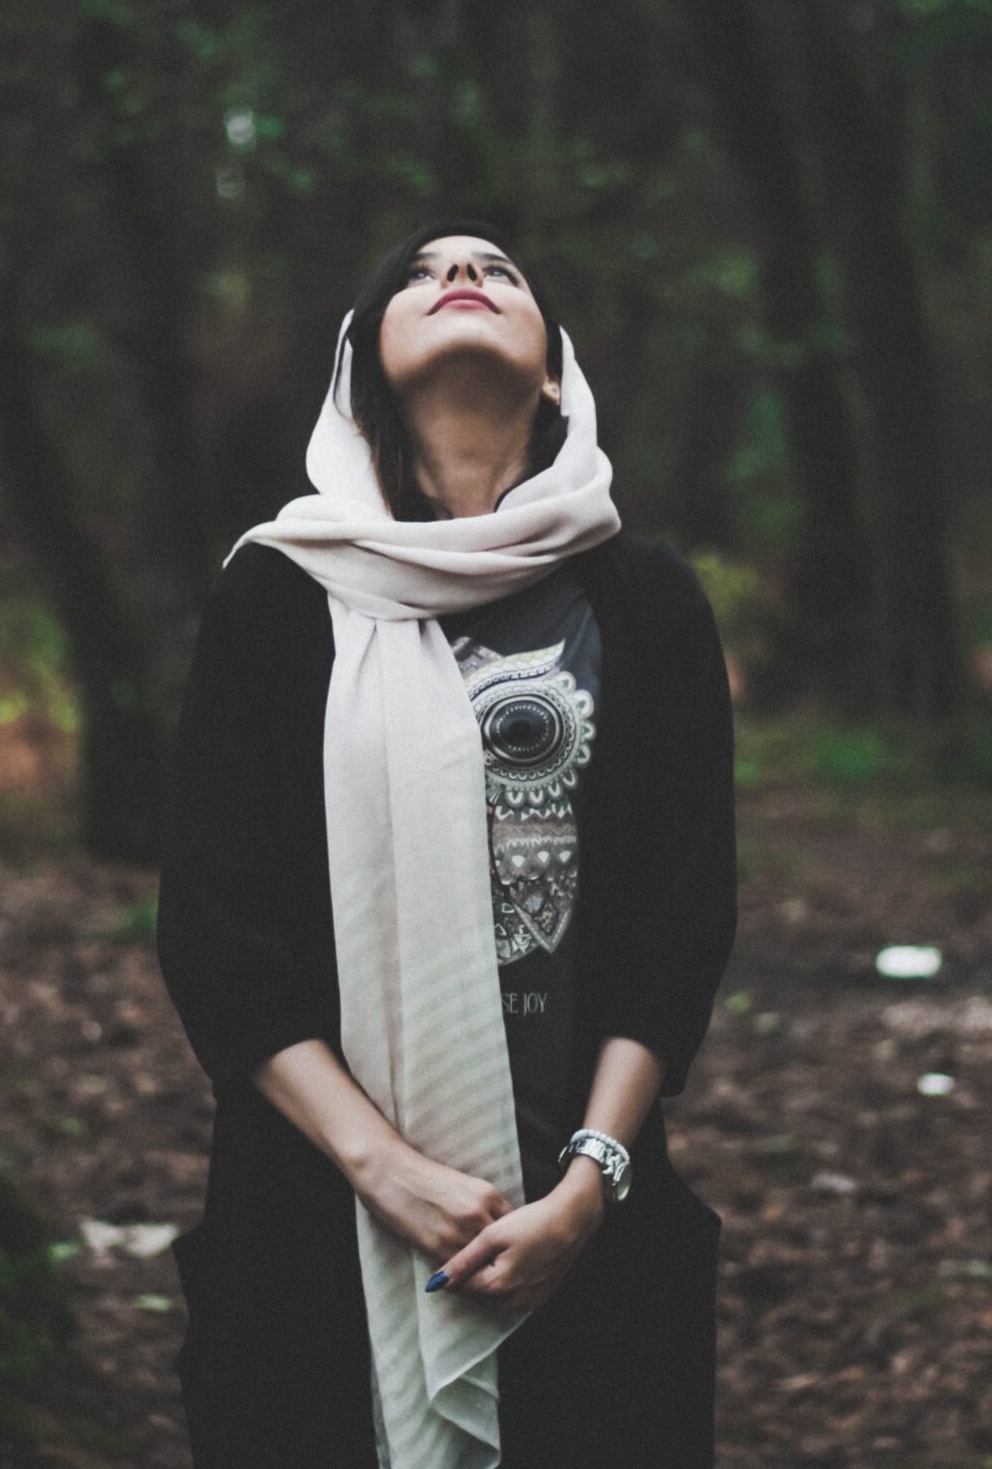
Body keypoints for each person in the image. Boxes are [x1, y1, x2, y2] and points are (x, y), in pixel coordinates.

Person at [154, 216, 738, 1468]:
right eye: (417, 275)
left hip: (590, 1213)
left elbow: (680, 919)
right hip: (315, 1216)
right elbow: (216, 927)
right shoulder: (277, 596)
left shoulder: (644, 600)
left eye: (497, 270)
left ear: (553, 372)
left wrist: (587, 1186)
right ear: (363, 368)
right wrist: (388, 1174)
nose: (460, 274)